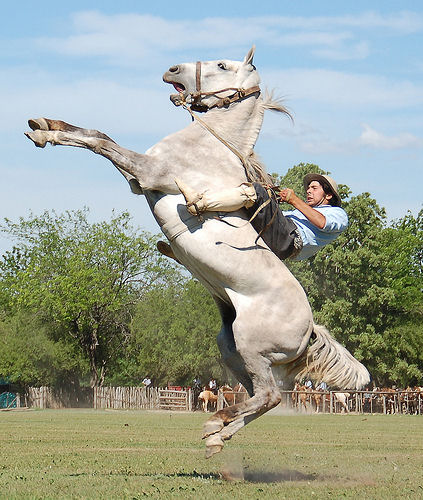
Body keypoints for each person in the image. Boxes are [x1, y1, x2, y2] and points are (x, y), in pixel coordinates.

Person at [173, 173, 348, 262]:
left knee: (256, 190)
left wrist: (293, 199)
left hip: (290, 240)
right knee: (246, 208)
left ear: (329, 195)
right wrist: (271, 198)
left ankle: (200, 203)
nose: (308, 191)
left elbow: (322, 223)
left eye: (314, 188)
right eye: (308, 188)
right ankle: (192, 252)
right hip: (282, 235)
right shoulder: (300, 212)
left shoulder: (338, 214)